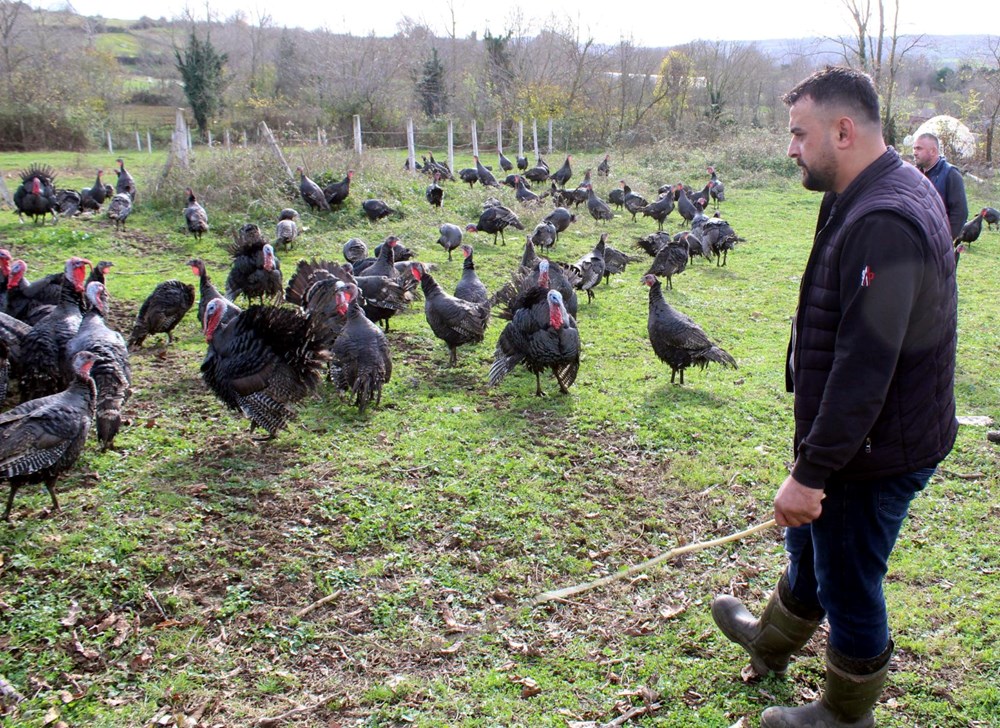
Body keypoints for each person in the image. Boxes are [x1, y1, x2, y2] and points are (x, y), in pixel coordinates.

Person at [711, 66, 958, 728]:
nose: (790, 148)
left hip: (873, 449)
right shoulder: (863, 192)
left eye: (799, 133)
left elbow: (865, 368)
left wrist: (812, 472)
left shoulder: (886, 219)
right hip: (851, 437)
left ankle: (845, 715)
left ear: (843, 130)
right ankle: (770, 641)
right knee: (811, 552)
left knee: (850, 582)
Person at [912, 132, 968, 239]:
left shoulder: (950, 174)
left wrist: (946, 239)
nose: (915, 152)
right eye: (914, 148)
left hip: (939, 243)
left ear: (933, 151)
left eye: (919, 149)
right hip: (918, 239)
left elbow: (960, 212)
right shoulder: (914, 173)